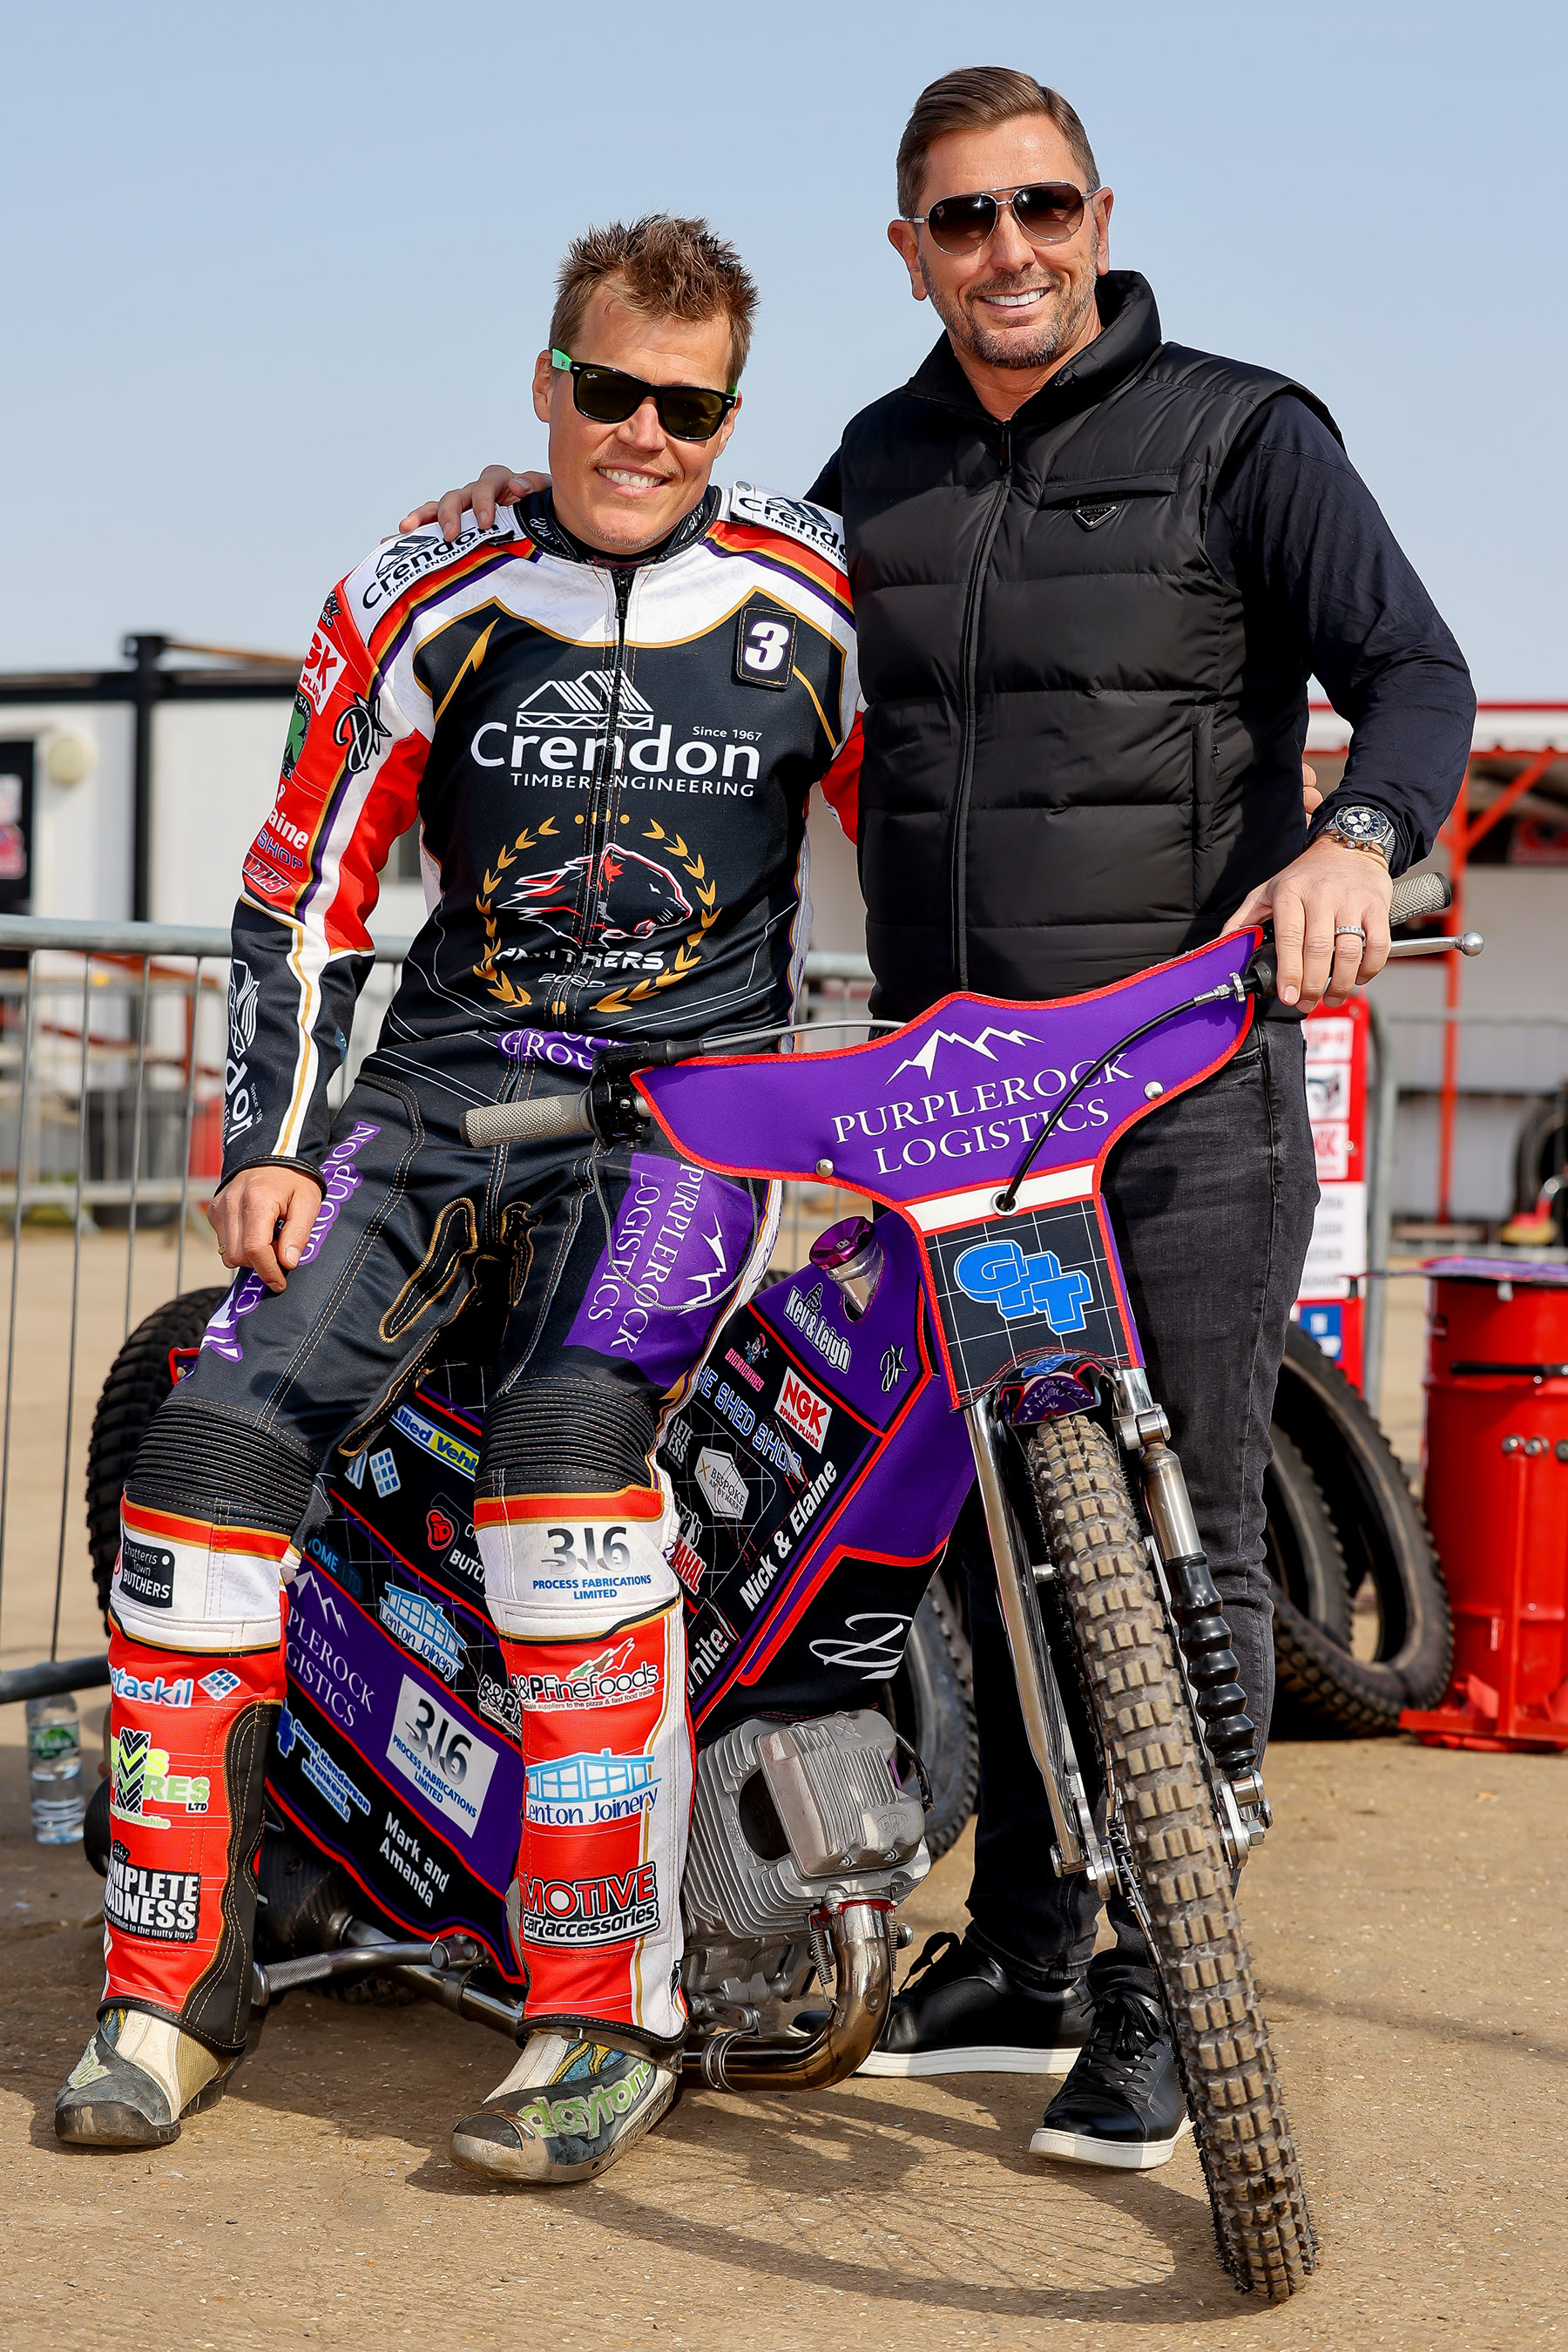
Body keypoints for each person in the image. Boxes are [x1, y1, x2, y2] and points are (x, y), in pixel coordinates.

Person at [415, 65, 1476, 2171]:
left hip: (1180, 1083)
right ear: (907, 251)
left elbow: (1415, 671)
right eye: (965, 219)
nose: (1010, 249)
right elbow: (706, 592)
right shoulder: (868, 478)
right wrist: (542, 521)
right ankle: (1027, 1954)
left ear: (1100, 217)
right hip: (954, 1111)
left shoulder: (1245, 435)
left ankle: (1169, 1997)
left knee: (1186, 1538)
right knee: (994, 1523)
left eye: (1042, 207)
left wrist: (1361, 835)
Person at [56, 214, 862, 2186]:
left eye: (688, 407)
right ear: (547, 383)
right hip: (433, 1099)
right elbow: (299, 889)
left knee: (565, 1467)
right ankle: (168, 1993)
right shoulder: (419, 583)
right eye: (610, 390)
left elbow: (922, 842)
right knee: (203, 1453)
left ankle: (603, 2016)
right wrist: (266, 1140)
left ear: (730, 418)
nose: (644, 433)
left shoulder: (821, 590)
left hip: (685, 1121)